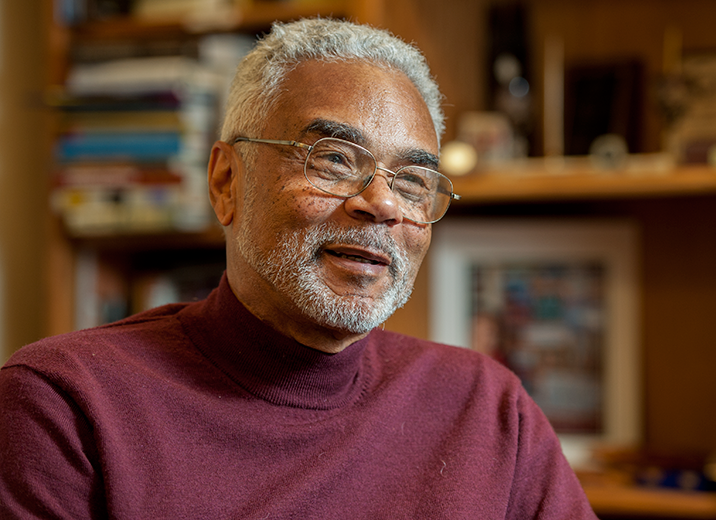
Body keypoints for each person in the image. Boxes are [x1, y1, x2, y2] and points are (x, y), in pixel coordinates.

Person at [0, 18, 597, 519]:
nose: (383, 204)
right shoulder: (64, 405)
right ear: (226, 181)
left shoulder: (487, 409)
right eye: (335, 159)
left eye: (413, 181)